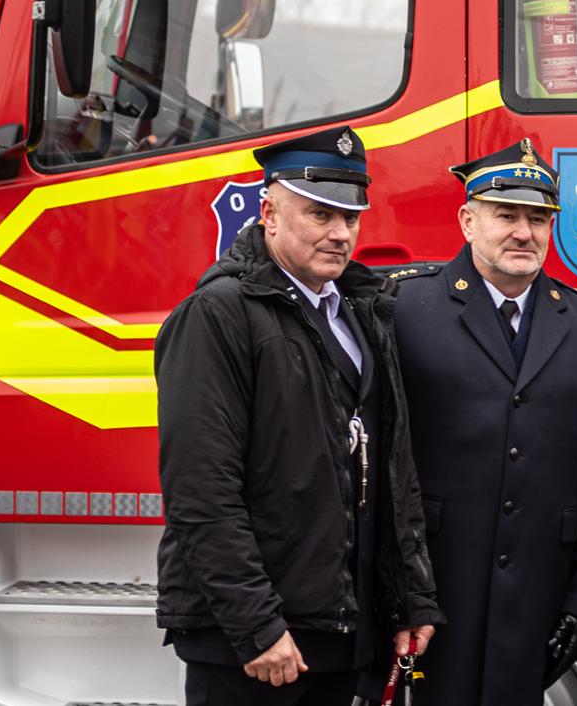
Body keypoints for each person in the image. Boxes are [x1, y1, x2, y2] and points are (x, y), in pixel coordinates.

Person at [155, 126, 441, 705]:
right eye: (320, 215)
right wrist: (256, 626)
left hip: (337, 632)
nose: (340, 234)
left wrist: (411, 600)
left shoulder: (362, 314)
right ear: (270, 213)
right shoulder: (219, 314)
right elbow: (200, 490)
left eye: (351, 218)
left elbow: (391, 469)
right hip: (255, 645)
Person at [393, 140, 577, 704]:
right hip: (436, 590)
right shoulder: (405, 311)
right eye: (507, 215)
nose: (525, 232)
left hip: (538, 594)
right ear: (468, 221)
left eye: (539, 218)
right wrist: (394, 589)